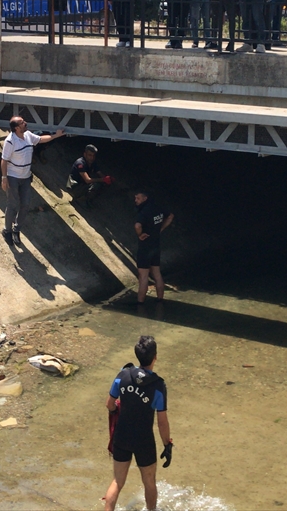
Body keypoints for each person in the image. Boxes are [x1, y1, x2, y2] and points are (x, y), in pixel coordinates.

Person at [103, 335, 171, 511]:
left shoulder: (123, 375)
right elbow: (161, 421)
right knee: (149, 482)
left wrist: (114, 413)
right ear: (155, 356)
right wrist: (167, 445)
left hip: (122, 436)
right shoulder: (158, 385)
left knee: (117, 482)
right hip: (143, 440)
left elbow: (110, 404)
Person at [1, 116, 65, 247]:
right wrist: (4, 178)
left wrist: (55, 136)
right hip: (13, 177)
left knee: (25, 205)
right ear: (16, 128)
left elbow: (41, 139)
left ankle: (16, 230)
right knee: (12, 205)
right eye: (22, 123)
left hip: (25, 177)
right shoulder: (10, 141)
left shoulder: (29, 135)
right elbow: (4, 160)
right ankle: (7, 231)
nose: (25, 123)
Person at [133, 190, 174, 303]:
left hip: (145, 247)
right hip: (156, 246)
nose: (136, 201)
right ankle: (160, 299)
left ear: (145, 198)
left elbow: (137, 226)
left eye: (138, 198)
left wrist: (140, 235)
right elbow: (170, 216)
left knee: (143, 277)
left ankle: (140, 303)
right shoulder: (158, 208)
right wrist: (161, 228)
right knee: (157, 274)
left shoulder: (144, 212)